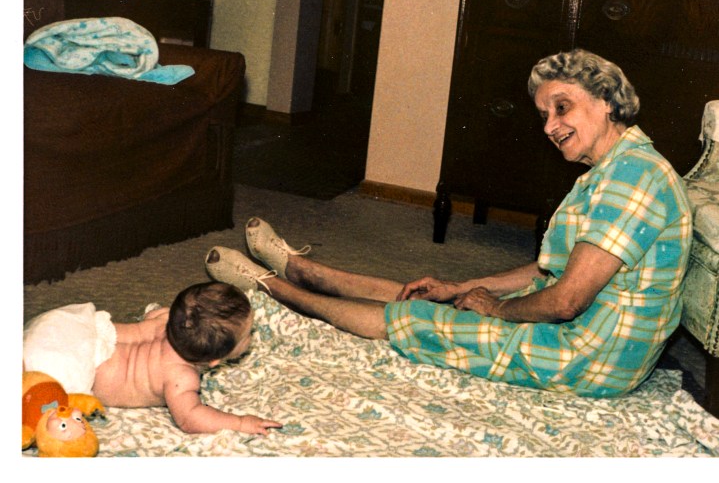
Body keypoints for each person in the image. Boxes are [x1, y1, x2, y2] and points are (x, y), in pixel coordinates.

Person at [206, 48, 692, 398]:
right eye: (544, 113)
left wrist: (495, 311)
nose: (548, 126)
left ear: (606, 100)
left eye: (561, 107)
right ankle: (304, 269)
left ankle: (269, 285)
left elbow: (566, 301)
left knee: (415, 319)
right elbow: (550, 269)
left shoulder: (633, 176)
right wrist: (461, 286)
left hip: (591, 356)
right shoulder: (611, 169)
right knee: (432, 296)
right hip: (585, 332)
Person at [23, 281, 282, 435]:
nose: (252, 337)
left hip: (66, 329)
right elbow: (190, 418)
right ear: (214, 361)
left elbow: (150, 317)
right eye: (247, 336)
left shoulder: (165, 318)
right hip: (70, 367)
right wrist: (239, 422)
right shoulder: (181, 377)